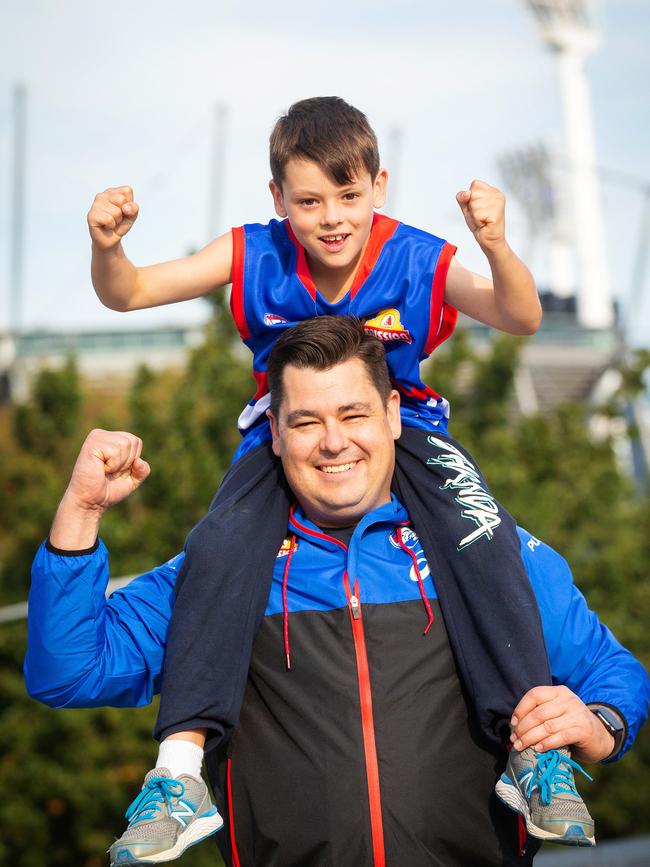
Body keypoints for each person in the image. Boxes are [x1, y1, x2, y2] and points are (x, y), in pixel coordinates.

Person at [86, 94, 560, 860]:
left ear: (379, 184)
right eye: (309, 200)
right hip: (290, 438)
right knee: (218, 551)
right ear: (279, 199)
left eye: (349, 195)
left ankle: (535, 752)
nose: (331, 217)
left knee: (487, 537)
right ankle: (179, 772)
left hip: (406, 431)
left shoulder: (416, 257)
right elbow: (130, 291)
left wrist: (499, 245)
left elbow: (520, 315)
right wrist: (109, 247)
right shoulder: (253, 254)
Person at [25, 317, 650, 866]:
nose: (333, 441)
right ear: (273, 433)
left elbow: (610, 670)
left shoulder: (484, 548)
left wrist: (598, 726)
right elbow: (69, 671)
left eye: (353, 414)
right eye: (306, 421)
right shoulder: (223, 569)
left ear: (393, 417)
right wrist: (81, 511)